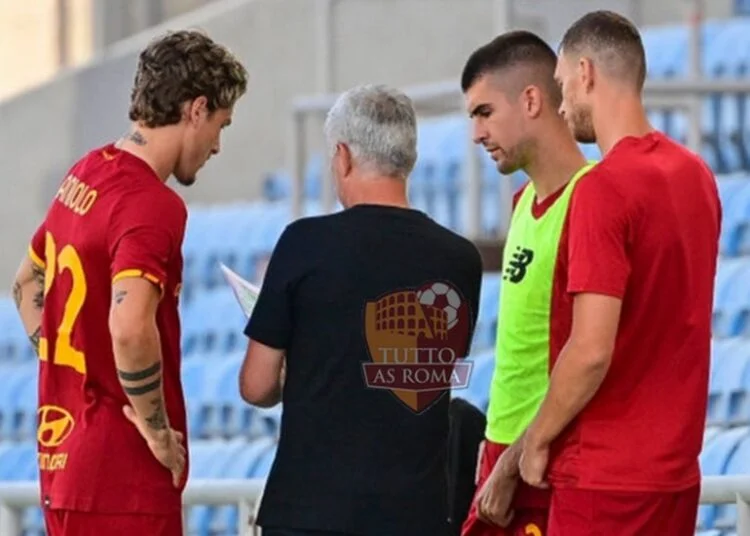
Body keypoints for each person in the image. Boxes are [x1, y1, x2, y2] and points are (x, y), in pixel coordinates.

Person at [11, 30, 248, 536]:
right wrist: (158, 431)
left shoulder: (86, 172)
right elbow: (130, 326)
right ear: (196, 109)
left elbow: (26, 283)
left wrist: (64, 354)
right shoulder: (152, 205)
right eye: (220, 125)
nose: (218, 146)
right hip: (121, 478)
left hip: (64, 465)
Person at [238, 84, 484, 536]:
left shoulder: (303, 243)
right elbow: (424, 374)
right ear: (407, 159)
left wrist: (306, 368)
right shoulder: (460, 259)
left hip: (309, 513)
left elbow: (256, 386)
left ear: (343, 157)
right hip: (416, 516)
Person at [517, 10, 721, 536]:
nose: (561, 105)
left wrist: (538, 438)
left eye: (562, 85)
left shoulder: (601, 188)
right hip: (676, 474)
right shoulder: (697, 176)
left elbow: (590, 350)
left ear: (585, 73)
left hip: (604, 477)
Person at [458, 31, 593, 536]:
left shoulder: (590, 200)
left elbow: (588, 352)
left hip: (541, 463)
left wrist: (515, 459)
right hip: (502, 452)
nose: (475, 133)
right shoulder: (520, 204)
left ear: (532, 100)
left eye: (484, 112)